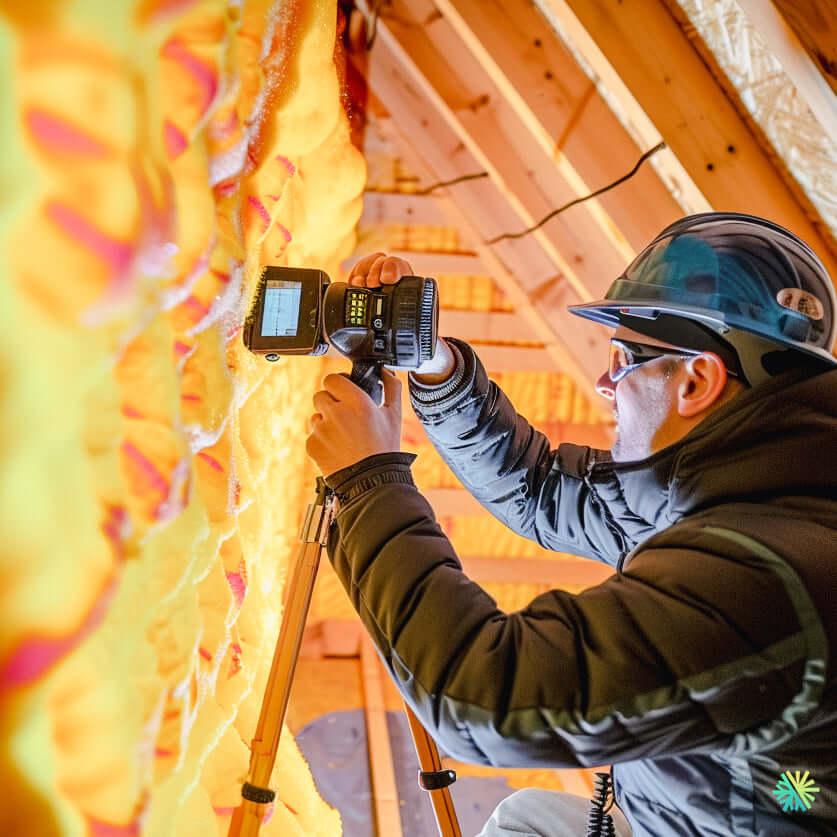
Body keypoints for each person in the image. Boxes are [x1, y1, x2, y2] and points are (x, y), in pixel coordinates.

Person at [305, 212, 837, 836]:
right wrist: (434, 366)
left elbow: (485, 699)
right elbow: (535, 488)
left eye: (623, 358)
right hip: (683, 818)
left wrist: (369, 481)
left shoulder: (761, 576)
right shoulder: (727, 499)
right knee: (527, 819)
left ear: (697, 379)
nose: (604, 383)